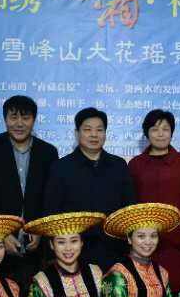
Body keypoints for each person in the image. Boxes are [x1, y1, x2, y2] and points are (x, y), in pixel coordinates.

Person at [0, 95, 59, 290]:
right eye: (13, 117)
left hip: (37, 247)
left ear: (34, 120)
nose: (19, 123)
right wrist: (1, 234)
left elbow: (50, 198)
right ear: (5, 119)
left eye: (25, 118)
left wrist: (39, 231)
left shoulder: (48, 152)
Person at [43, 107, 135, 271]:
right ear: (76, 133)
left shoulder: (118, 165)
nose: (94, 134)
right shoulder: (61, 168)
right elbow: (51, 213)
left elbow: (129, 209)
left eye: (99, 130)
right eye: (87, 129)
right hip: (74, 255)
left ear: (105, 133)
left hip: (114, 252)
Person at [129, 109, 180, 291]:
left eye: (165, 129)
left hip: (176, 246)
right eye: (155, 129)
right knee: (146, 293)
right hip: (143, 244)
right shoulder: (136, 164)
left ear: (172, 132)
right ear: (147, 133)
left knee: (175, 293)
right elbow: (129, 206)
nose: (160, 134)